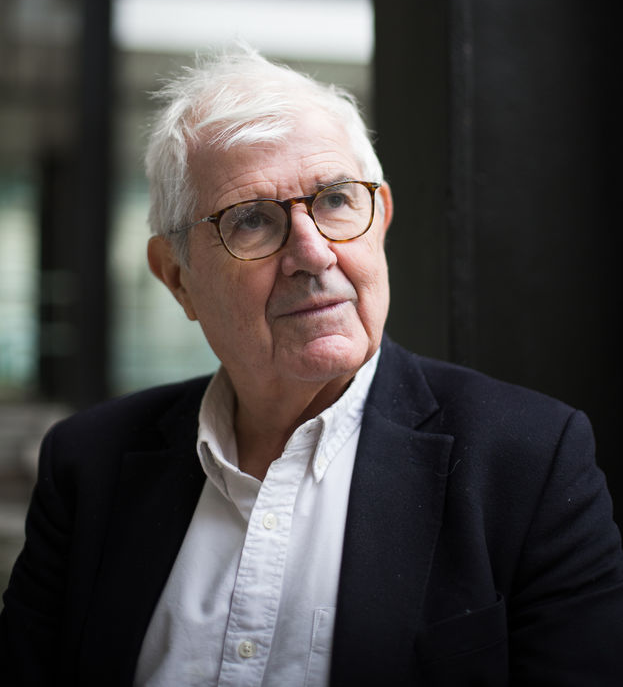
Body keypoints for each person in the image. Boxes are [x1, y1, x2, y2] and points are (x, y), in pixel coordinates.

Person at [1, 45, 622, 686]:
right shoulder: (88, 466)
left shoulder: (528, 461)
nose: (314, 253)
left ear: (379, 219)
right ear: (177, 276)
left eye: (335, 200)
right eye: (251, 220)